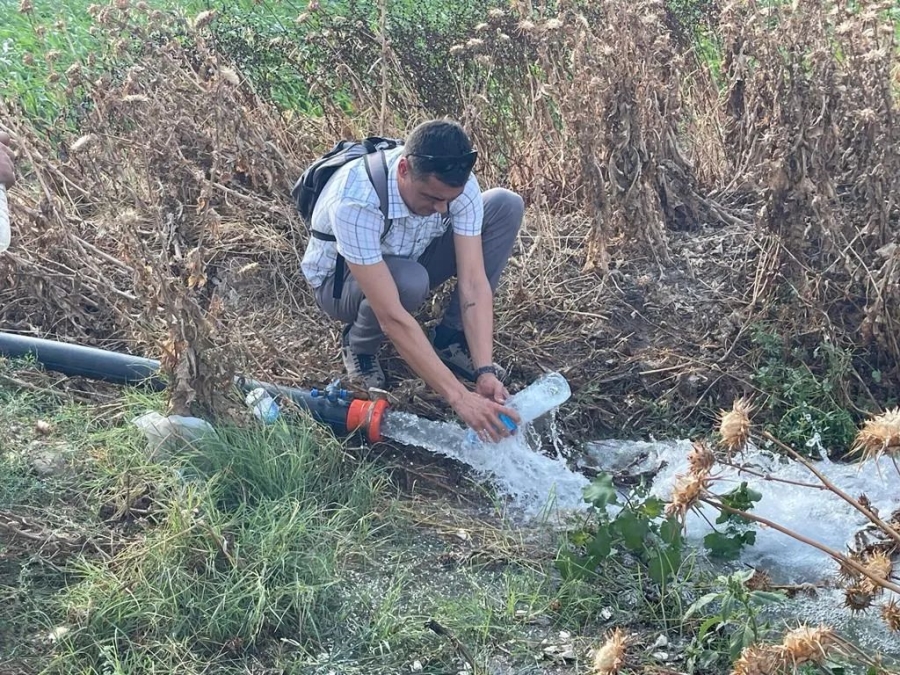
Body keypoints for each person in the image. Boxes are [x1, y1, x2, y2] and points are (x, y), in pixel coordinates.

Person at [301, 119, 525, 443]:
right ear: (404, 169)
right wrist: (459, 398)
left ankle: (449, 339)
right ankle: (359, 345)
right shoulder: (357, 199)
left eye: (449, 200)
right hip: (339, 285)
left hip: (409, 255)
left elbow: (474, 284)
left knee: (505, 205)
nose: (441, 209)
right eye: (431, 198)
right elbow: (392, 316)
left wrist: (484, 371)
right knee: (409, 281)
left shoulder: (453, 188)